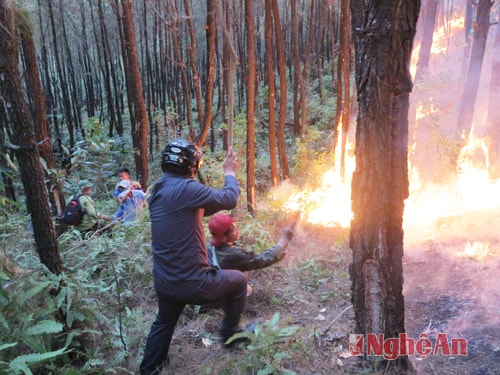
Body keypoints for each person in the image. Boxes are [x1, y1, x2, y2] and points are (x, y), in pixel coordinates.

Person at [140, 139, 247, 375]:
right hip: (192, 283)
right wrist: (229, 173)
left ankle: (149, 370)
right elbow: (229, 199)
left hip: (165, 281)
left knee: (164, 321)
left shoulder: (158, 189)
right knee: (239, 281)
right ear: (192, 166)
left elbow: (195, 208)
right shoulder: (187, 188)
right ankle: (230, 335)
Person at [207, 213, 295, 274]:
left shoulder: (209, 246)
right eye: (233, 229)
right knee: (241, 278)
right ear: (223, 237)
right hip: (218, 290)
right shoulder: (234, 255)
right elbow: (263, 259)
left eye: (235, 225)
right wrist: (284, 240)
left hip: (212, 283)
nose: (237, 230)